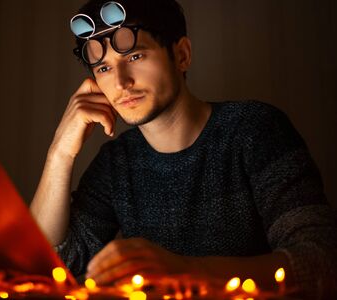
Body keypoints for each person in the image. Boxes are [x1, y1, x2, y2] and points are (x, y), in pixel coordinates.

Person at [30, 0, 337, 297]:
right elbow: (42, 268)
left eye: (134, 57)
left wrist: (185, 271)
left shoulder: (254, 130)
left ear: (182, 55)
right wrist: (59, 154)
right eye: (104, 68)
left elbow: (321, 262)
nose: (121, 82)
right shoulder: (116, 164)